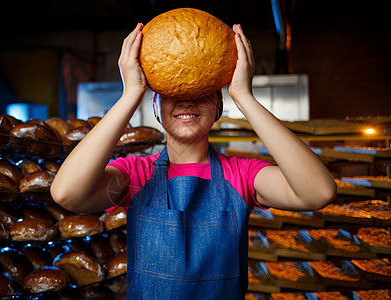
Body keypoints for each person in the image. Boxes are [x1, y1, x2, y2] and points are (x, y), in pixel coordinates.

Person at [51, 22, 336, 299]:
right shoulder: (135, 173)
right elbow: (67, 194)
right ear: (156, 107)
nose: (187, 102)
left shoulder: (243, 174)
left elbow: (317, 193)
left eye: (201, 94)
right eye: (173, 94)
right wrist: (130, 95)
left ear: (218, 107)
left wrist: (244, 96)